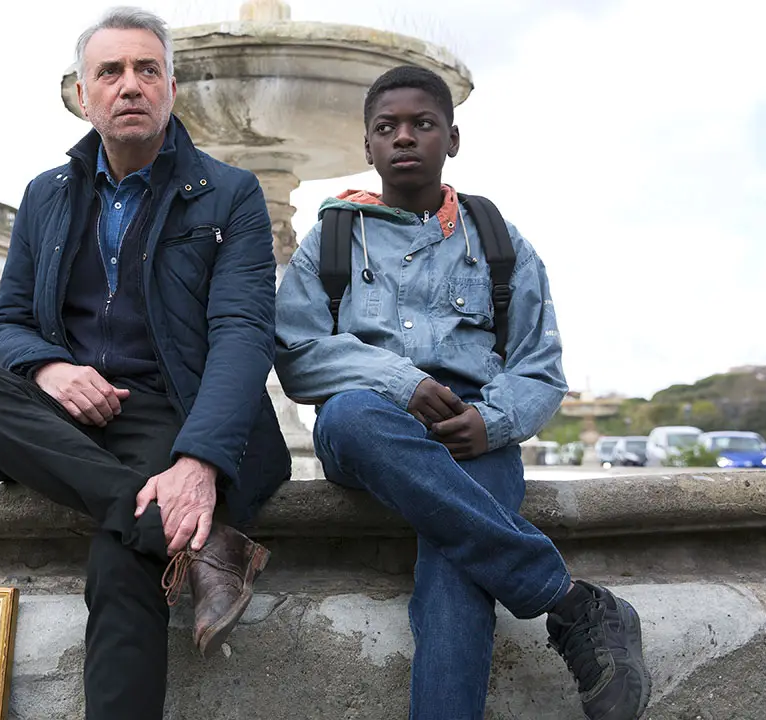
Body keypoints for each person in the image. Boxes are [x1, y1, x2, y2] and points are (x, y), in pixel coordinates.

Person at [0, 6, 289, 719]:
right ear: (81, 93)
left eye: (147, 69)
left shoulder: (231, 193)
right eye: (110, 72)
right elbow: (8, 321)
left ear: (171, 89)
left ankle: (146, 524)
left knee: (119, 562)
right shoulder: (46, 194)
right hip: (67, 412)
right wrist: (48, 369)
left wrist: (199, 462)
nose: (130, 85)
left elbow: (244, 334)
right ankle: (192, 539)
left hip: (172, 412)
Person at [273, 65, 651, 720]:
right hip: (368, 428)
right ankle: (569, 600)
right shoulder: (331, 240)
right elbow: (298, 357)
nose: (404, 137)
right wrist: (403, 382)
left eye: (423, 124)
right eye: (386, 127)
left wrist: (491, 421)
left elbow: (540, 369)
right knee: (353, 414)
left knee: (454, 580)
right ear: (368, 145)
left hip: (473, 434)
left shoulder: (500, 242)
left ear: (452, 139)